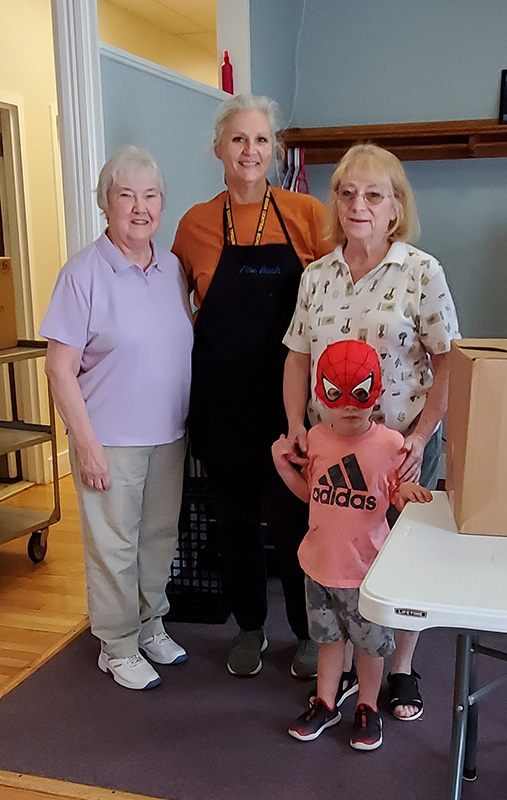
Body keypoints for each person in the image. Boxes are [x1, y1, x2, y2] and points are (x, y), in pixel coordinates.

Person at [283, 143, 459, 718]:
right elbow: (297, 357)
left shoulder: (420, 272)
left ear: (394, 208)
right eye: (347, 192)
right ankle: (347, 660)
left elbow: (450, 361)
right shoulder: (317, 276)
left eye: (373, 194)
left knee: (402, 557)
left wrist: (423, 432)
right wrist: (295, 428)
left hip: (402, 445)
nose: (358, 204)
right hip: (331, 444)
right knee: (344, 553)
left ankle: (400, 668)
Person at [172, 93, 334, 678]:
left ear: (274, 149)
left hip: (292, 403)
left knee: (298, 521)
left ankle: (307, 630)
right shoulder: (193, 224)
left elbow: (333, 300)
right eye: (238, 139)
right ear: (219, 148)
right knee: (235, 520)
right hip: (221, 404)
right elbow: (174, 311)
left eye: (261, 139)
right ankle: (249, 627)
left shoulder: (307, 214)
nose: (250, 150)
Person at [40, 146, 193, 690]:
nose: (139, 206)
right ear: (106, 203)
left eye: (150, 195)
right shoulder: (82, 273)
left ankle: (150, 624)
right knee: (113, 547)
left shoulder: (172, 267)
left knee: (157, 539)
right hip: (110, 438)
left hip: (168, 434)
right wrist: (84, 445)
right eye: (125, 194)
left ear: (162, 204)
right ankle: (117, 643)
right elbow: (59, 370)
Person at [273, 340, 432, 750]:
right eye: (335, 395)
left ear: (375, 393)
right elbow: (310, 495)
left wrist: (407, 492)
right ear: (319, 395)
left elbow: (395, 494)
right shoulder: (316, 440)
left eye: (359, 395)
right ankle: (326, 702)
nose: (348, 406)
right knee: (328, 642)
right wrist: (280, 464)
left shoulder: (389, 444)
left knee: (370, 648)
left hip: (365, 575)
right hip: (319, 566)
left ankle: (367, 706)